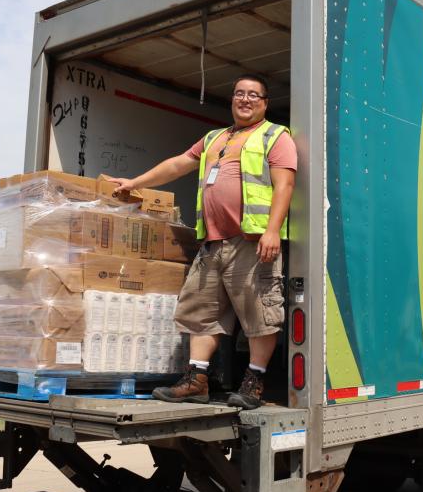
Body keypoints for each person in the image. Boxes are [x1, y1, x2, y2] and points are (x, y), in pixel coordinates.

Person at [107, 75, 296, 409]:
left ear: (265, 102)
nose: (245, 99)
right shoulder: (215, 138)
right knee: (200, 312)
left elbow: (284, 186)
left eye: (254, 95)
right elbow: (178, 164)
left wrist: (272, 230)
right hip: (213, 243)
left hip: (250, 241)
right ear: (232, 100)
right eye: (239, 93)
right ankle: (197, 380)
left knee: (260, 312)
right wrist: (135, 182)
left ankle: (253, 382)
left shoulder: (275, 136)